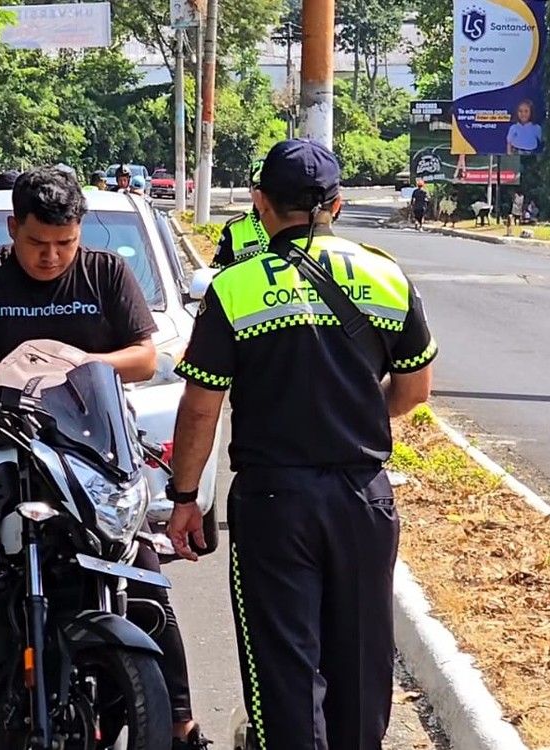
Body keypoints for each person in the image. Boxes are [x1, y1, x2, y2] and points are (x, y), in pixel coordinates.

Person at [0, 166, 211, 750]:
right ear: (12, 229)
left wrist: (80, 364)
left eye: (64, 244)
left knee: (143, 572)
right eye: (36, 243)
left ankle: (179, 720)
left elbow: (145, 357)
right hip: (5, 443)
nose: (51, 257)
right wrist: (8, 375)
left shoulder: (108, 272)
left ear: (79, 233)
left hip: (89, 449)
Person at [165, 138, 437, 750]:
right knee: (363, 665)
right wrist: (359, 413)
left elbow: (201, 407)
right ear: (336, 204)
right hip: (364, 499)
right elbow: (415, 388)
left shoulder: (234, 290)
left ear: (260, 203)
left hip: (273, 501)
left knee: (283, 673)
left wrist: (185, 497)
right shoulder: (385, 274)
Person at [210, 159, 269, 269]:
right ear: (250, 189)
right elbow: (216, 272)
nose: (262, 194)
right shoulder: (235, 229)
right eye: (258, 187)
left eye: (269, 187)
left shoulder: (297, 223)